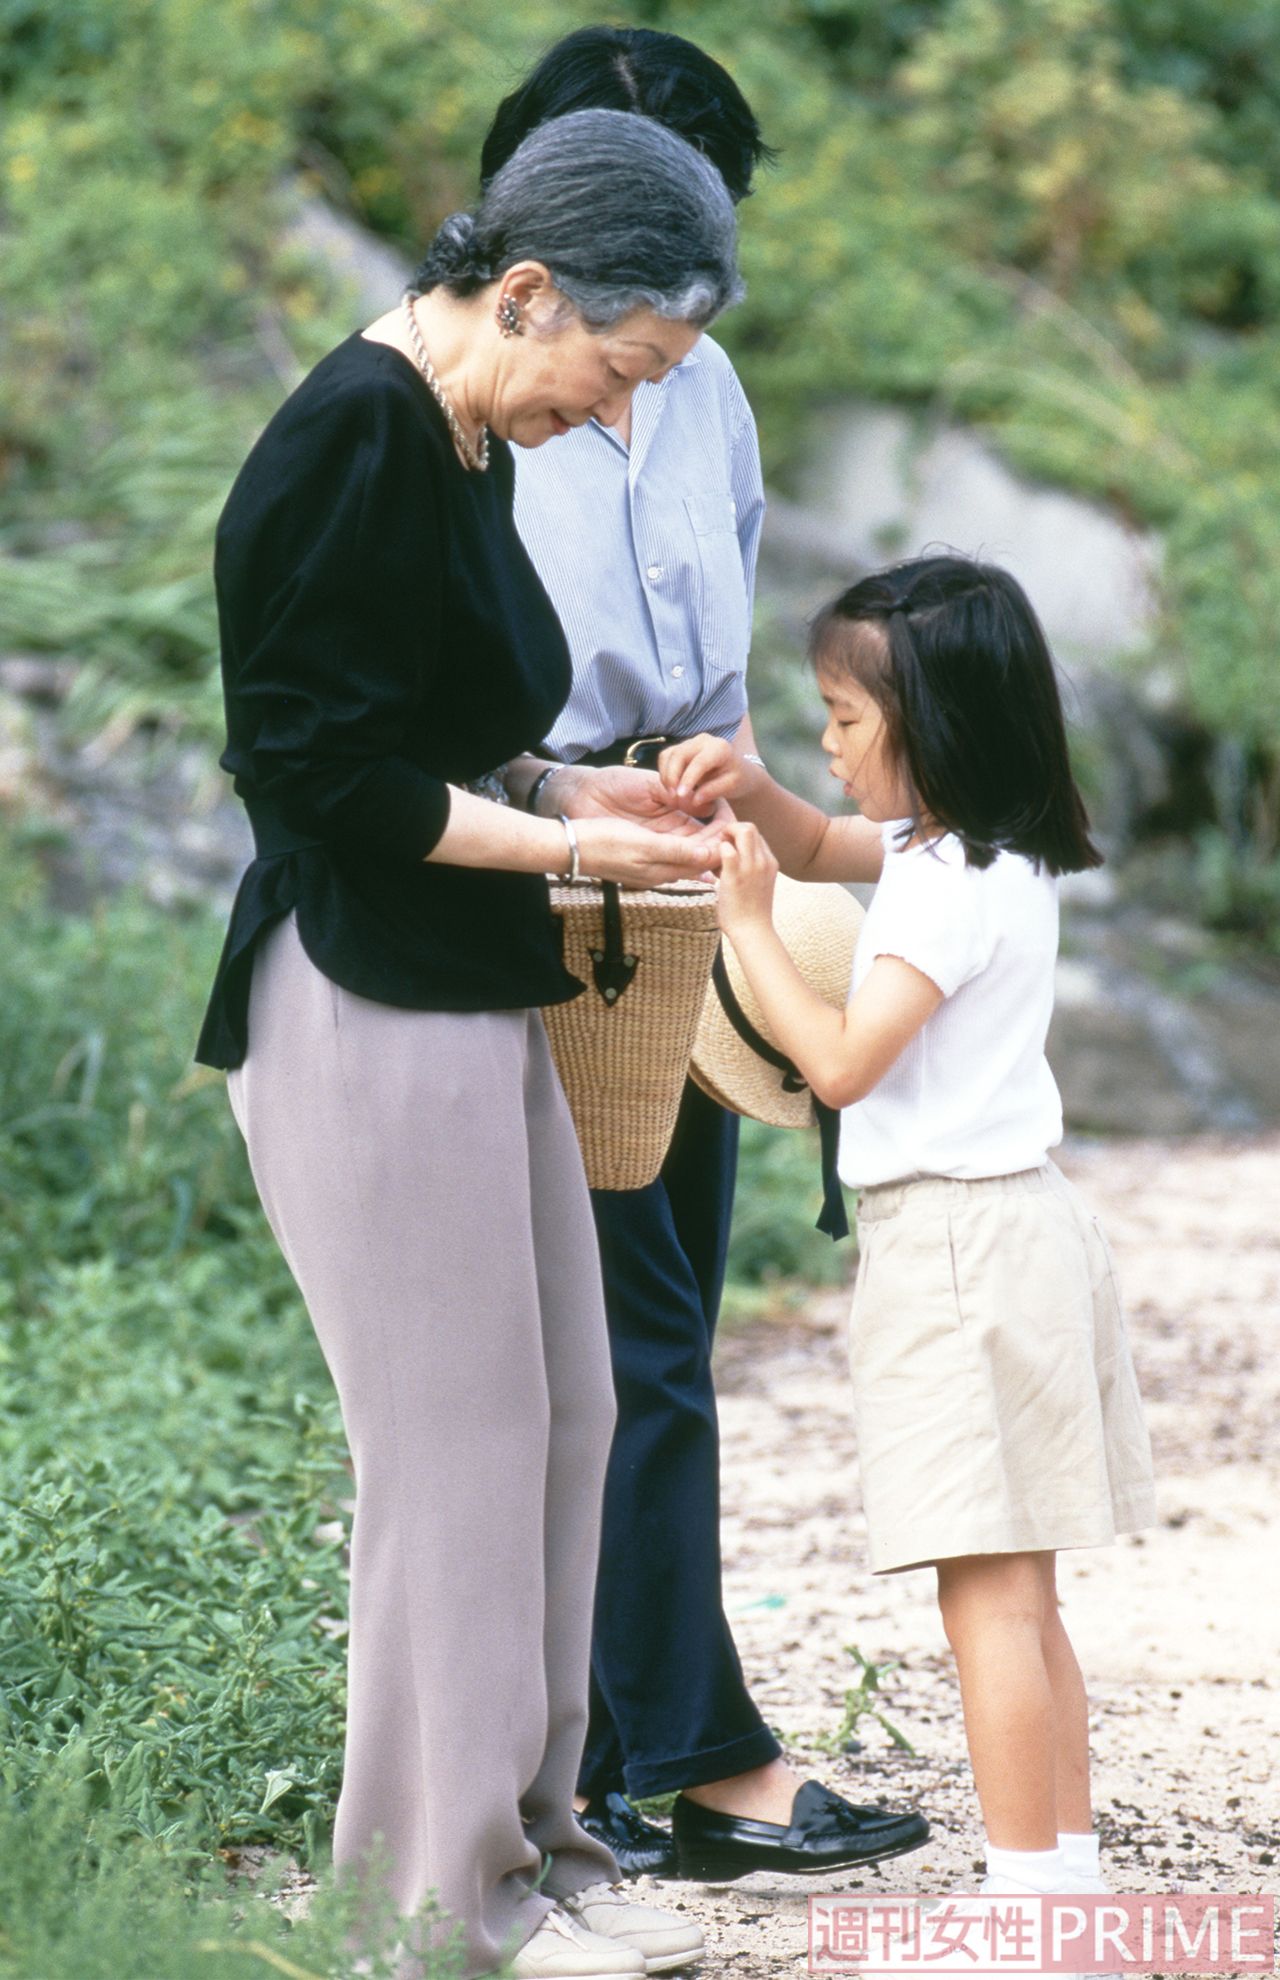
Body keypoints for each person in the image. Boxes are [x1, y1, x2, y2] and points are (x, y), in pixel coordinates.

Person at [195, 108, 747, 1980]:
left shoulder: (460, 438)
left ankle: (545, 1843)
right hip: (358, 990)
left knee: (569, 1417)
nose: (612, 415)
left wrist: (584, 792)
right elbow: (324, 774)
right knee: (448, 1454)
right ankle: (438, 1910)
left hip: (470, 975)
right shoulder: (348, 436)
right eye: (618, 367)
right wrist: (571, 841)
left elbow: (447, 735)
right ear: (524, 291)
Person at [482, 25, 931, 1884]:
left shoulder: (710, 383)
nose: (680, 278)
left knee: (647, 1313)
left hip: (682, 854)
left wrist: (748, 810)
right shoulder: (468, 383)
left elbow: (721, 616)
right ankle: (677, 1763)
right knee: (606, 1332)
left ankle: (639, 1751)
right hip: (530, 854)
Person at [659, 554, 1158, 1905]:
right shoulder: (993, 845)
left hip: (950, 1250)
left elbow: (838, 1063)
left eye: (842, 719)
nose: (823, 742)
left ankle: (1024, 1896)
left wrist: (749, 927)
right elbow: (829, 842)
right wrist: (750, 794)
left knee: (981, 1594)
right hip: (1030, 1230)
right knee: (1027, 1586)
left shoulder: (938, 883)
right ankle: (1065, 1872)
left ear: (927, 725)